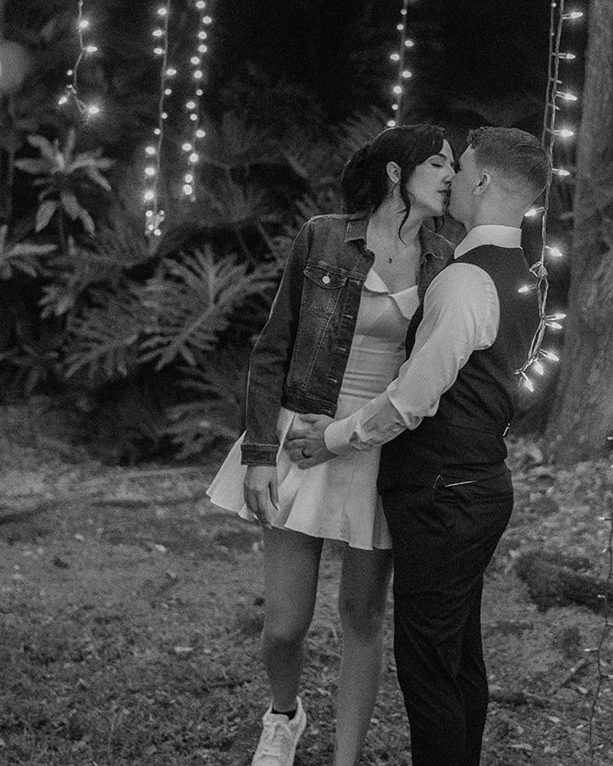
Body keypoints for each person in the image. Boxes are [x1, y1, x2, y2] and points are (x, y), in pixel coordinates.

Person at [288, 126, 551, 766]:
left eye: (459, 168)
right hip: (476, 487)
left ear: (483, 182)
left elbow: (412, 400)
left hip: (444, 496)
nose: (450, 178)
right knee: (458, 658)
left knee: (430, 668)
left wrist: (330, 439)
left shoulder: (465, 282)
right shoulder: (525, 276)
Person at [206, 124, 459, 766]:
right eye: (438, 163)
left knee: (362, 615)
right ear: (397, 172)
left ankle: (346, 758)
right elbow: (273, 349)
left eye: (455, 166)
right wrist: (262, 455)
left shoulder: (444, 259)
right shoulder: (323, 236)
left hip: (378, 448)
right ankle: (283, 715)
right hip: (301, 438)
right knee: (284, 625)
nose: (450, 175)